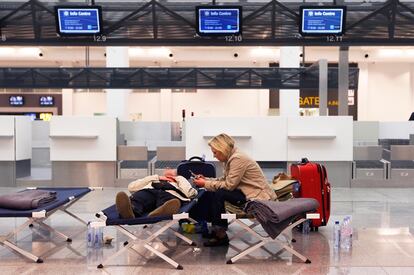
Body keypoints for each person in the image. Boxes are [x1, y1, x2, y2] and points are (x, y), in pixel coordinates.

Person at [191, 133, 276, 247]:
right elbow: (225, 180)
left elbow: (229, 185)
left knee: (219, 194)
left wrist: (205, 183)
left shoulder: (237, 158)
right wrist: (206, 180)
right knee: (214, 191)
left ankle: (220, 235)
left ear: (223, 149)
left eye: (215, 152)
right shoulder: (231, 157)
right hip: (245, 192)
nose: (214, 156)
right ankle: (216, 230)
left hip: (256, 197)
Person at [116, 169, 198, 219]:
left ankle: (161, 211)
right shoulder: (152, 180)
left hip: (170, 193)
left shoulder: (178, 180)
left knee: (169, 202)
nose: (168, 169)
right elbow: (131, 187)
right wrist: (156, 178)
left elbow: (189, 193)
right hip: (151, 190)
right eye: (166, 169)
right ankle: (129, 212)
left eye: (171, 169)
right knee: (139, 198)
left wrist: (179, 179)